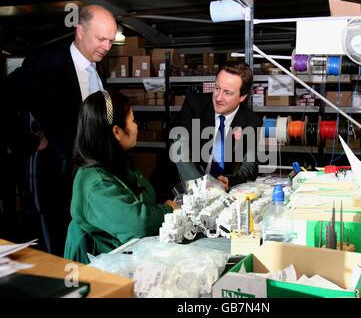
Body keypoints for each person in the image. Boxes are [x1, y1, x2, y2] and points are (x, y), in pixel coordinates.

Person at [4, 5, 117, 256]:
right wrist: (27, 142)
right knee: (55, 251)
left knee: (82, 251)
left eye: (110, 40)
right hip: (56, 180)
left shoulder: (97, 68)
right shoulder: (47, 62)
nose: (107, 47)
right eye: (101, 39)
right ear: (80, 31)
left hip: (90, 180)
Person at [64, 90, 177, 264]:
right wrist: (168, 210)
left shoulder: (118, 164)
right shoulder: (95, 183)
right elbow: (137, 223)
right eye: (132, 121)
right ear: (116, 131)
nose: (136, 125)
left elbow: (145, 198)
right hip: (103, 271)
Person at [172, 60, 262, 192]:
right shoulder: (194, 105)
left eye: (227, 93)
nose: (218, 98)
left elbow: (249, 166)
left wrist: (229, 180)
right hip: (184, 188)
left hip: (221, 191)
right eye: (217, 88)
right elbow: (181, 151)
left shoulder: (252, 121)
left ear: (242, 96)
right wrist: (203, 187)